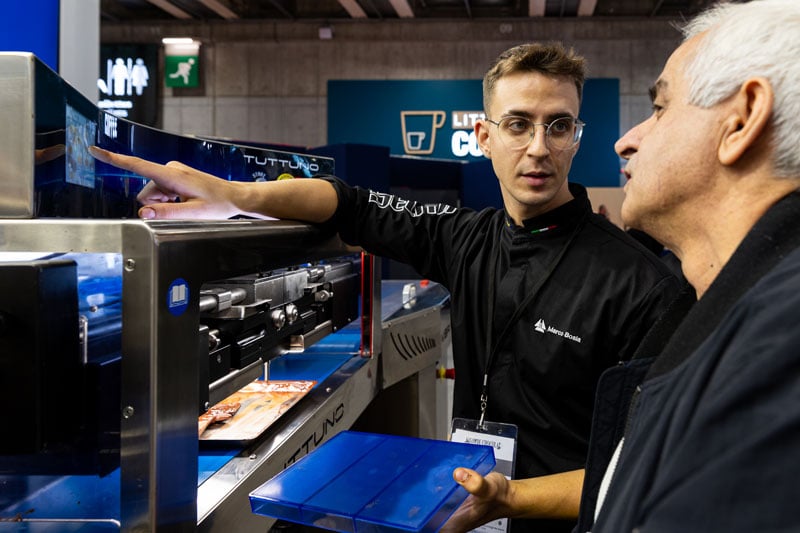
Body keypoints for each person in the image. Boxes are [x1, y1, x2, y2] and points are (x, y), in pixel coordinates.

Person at [90, 42, 681, 533]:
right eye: (518, 124)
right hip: (469, 510)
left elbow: (650, 464)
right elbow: (347, 203)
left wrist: (512, 499)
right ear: (484, 136)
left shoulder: (639, 285)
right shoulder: (464, 237)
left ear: (577, 136)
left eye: (559, 126)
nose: (538, 148)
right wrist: (233, 196)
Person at [442, 0, 800, 531]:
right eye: (518, 124)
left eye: (660, 108)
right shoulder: (730, 315)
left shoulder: (773, 353)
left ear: (742, 119)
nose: (626, 140)